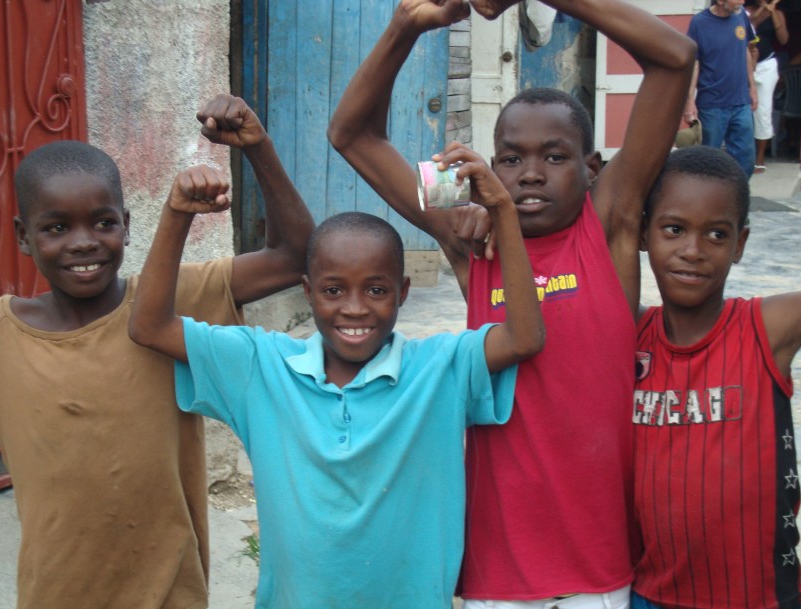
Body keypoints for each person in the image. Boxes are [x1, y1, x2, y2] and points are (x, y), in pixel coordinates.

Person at [327, 0, 695, 607]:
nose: (529, 174)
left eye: (554, 157)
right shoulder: (474, 242)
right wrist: (406, 26)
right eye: (510, 158)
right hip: (498, 568)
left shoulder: (607, 226)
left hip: (600, 566)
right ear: (488, 167)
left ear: (591, 168)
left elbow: (675, 57)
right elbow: (351, 134)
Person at [127, 139, 544, 609]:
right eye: (332, 290)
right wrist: (177, 215)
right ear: (307, 292)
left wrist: (503, 213)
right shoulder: (261, 367)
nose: (354, 308)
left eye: (376, 289)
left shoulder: (439, 369)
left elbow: (524, 338)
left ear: (403, 292)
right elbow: (150, 326)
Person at [0, 94, 314, 609]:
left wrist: (258, 150)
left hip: (171, 593)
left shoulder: (169, 305)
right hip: (54, 594)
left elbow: (294, 256)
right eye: (57, 228)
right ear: (24, 237)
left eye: (103, 223)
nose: (83, 243)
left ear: (126, 223)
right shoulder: (5, 335)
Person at [631, 145, 801, 609]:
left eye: (716, 234)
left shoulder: (766, 328)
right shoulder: (626, 335)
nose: (692, 250)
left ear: (740, 244)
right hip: (650, 597)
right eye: (674, 229)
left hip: (761, 599)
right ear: (644, 234)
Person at [684, 0, 758, 178]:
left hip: (741, 102)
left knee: (746, 160)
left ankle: (737, 200)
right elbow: (694, 63)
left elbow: (746, 51)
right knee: (708, 162)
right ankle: (708, 202)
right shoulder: (699, 23)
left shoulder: (741, 15)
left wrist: (753, 88)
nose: (741, 2)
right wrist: (689, 101)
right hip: (712, 105)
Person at [746, 0, 789, 173]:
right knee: (742, 109)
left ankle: (760, 158)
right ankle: (743, 154)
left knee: (763, 110)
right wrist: (762, 9)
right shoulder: (745, 11)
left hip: (766, 66)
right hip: (746, 64)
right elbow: (749, 29)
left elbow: (784, 39)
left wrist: (772, 12)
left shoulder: (777, 14)